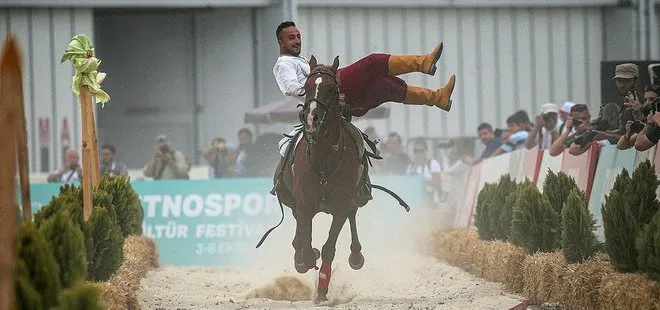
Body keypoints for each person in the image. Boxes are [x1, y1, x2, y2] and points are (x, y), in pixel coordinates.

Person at [271, 20, 456, 205]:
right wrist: (319, 88)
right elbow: (290, 88)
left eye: (298, 36)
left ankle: (438, 98)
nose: (296, 41)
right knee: (373, 62)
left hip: (334, 102)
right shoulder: (283, 64)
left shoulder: (298, 60)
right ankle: (423, 63)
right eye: (291, 38)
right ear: (281, 42)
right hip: (332, 92)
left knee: (385, 87)